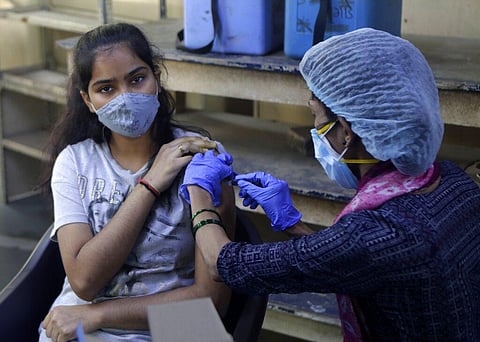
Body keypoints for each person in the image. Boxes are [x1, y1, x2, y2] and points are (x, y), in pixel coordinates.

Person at [179, 28, 480, 341]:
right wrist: (291, 222)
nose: (315, 128)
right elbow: (350, 259)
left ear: (347, 132)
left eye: (315, 114)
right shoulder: (453, 180)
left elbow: (224, 265)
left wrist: (198, 192)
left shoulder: (377, 235)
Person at [39, 23, 235, 342]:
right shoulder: (74, 163)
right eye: (106, 89)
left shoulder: (201, 157)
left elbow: (211, 302)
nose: (126, 97)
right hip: (75, 324)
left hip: (174, 325)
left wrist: (98, 314)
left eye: (137, 79)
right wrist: (150, 184)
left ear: (156, 79)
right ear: (87, 100)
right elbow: (85, 282)